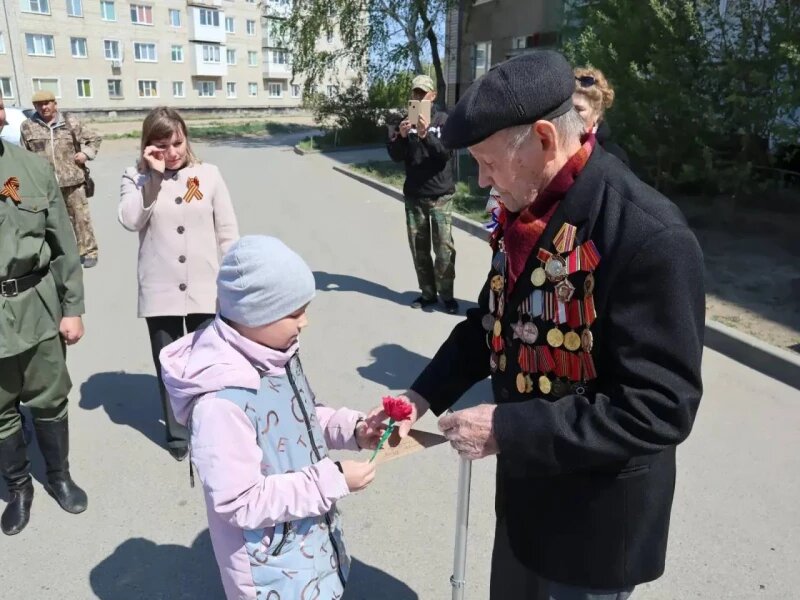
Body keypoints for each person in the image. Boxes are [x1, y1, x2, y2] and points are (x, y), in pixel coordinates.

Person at [377, 51, 705, 599]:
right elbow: (491, 323)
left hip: (594, 524)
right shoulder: (524, 210)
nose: (481, 181)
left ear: (547, 138)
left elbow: (659, 407)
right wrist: (421, 395)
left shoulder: (649, 235)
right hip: (526, 498)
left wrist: (509, 429)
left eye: (486, 161)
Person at [159, 235, 383, 600]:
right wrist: (332, 480)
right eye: (294, 312)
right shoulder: (220, 405)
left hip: (306, 546)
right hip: (270, 572)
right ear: (255, 314)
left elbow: (303, 418)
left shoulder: (276, 354)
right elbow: (240, 502)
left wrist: (355, 430)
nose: (305, 322)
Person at [118, 107, 239, 462]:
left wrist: (232, 280)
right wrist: (153, 179)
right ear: (147, 147)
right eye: (161, 145)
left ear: (186, 138)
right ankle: (177, 431)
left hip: (205, 285)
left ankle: (210, 426)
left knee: (208, 362)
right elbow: (129, 219)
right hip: (161, 289)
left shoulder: (209, 175)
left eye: (177, 142)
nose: (172, 152)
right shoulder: (134, 177)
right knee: (169, 363)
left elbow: (227, 232)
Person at [0, 97, 88, 536]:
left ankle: (59, 476)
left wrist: (72, 308)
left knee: (51, 398)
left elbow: (63, 245)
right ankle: (18, 488)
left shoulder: (30, 170)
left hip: (36, 304)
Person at [388, 74, 459, 314]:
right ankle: (427, 294)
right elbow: (396, 156)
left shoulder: (444, 121)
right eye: (415, 93)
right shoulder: (403, 121)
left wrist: (424, 134)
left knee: (444, 249)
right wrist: (400, 135)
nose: (418, 97)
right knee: (419, 249)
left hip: (441, 196)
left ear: (433, 95)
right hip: (415, 196)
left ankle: (447, 296)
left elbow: (445, 155)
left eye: (423, 93)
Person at [20, 90, 102, 267]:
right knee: (51, 222)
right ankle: (59, 254)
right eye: (39, 104)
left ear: (55, 104)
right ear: (34, 106)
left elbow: (94, 139)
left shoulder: (70, 122)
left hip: (73, 181)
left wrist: (86, 154)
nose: (44, 107)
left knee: (80, 219)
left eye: (47, 103)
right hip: (45, 184)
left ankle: (88, 252)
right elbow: (25, 155)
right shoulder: (27, 126)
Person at [573, 67, 630, 166]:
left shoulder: (614, 157)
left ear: (597, 114)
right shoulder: (551, 146)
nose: (570, 114)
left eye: (579, 109)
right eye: (568, 108)